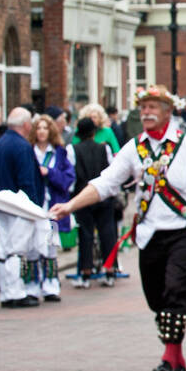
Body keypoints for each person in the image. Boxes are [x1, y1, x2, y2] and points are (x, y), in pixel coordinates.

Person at [51, 86, 186, 371]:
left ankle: (168, 361)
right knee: (157, 299)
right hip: (148, 235)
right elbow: (106, 183)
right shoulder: (134, 148)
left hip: (184, 231)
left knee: (175, 292)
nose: (146, 112)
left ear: (168, 111)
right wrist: (70, 206)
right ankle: (177, 362)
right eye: (143, 106)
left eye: (153, 106)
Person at [0, 108, 46, 308]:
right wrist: (33, 208)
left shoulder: (2, 142)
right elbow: (27, 180)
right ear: (25, 125)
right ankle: (16, 292)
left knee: (5, 249)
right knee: (16, 250)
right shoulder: (22, 146)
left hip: (3, 204)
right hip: (19, 206)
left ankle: (6, 292)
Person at [31, 114, 74, 301]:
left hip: (52, 205)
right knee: (32, 245)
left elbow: (68, 179)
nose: (41, 132)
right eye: (38, 128)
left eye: (45, 128)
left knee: (49, 245)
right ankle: (32, 285)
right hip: (33, 205)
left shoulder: (59, 153)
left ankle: (50, 285)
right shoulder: (29, 152)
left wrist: (50, 172)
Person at [70, 116, 117, 289]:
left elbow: (71, 175)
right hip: (103, 197)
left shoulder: (72, 149)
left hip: (83, 196)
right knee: (107, 232)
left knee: (85, 234)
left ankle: (86, 272)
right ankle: (109, 270)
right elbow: (112, 171)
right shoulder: (104, 148)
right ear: (93, 133)